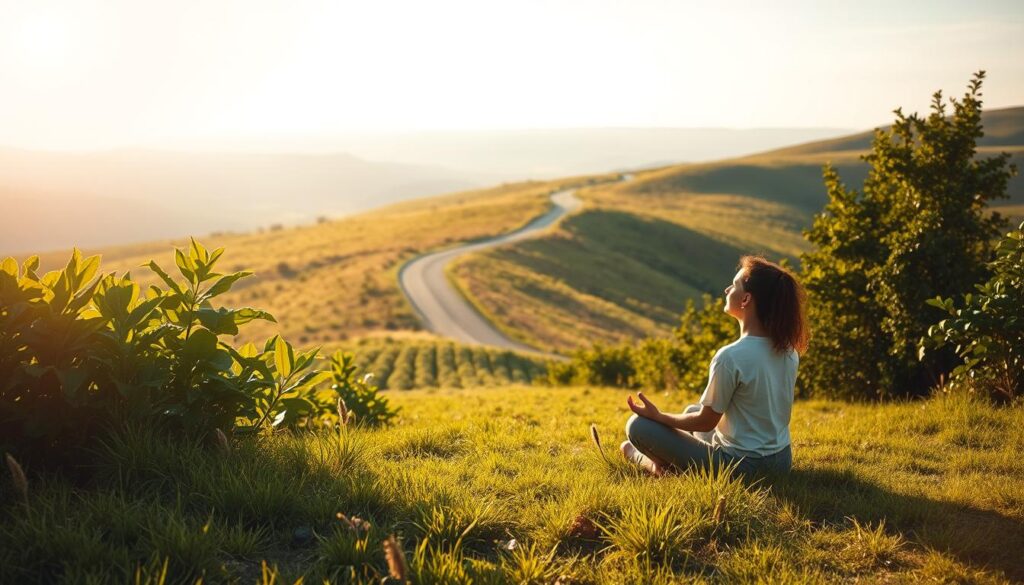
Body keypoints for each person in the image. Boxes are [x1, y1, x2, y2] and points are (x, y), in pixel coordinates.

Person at [620, 255, 808, 477]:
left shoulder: (731, 357)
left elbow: (705, 421)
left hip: (742, 467)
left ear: (746, 299)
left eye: (735, 285)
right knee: (690, 410)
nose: (728, 289)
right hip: (781, 461)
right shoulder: (788, 350)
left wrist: (658, 416)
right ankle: (668, 463)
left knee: (637, 427)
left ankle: (656, 466)